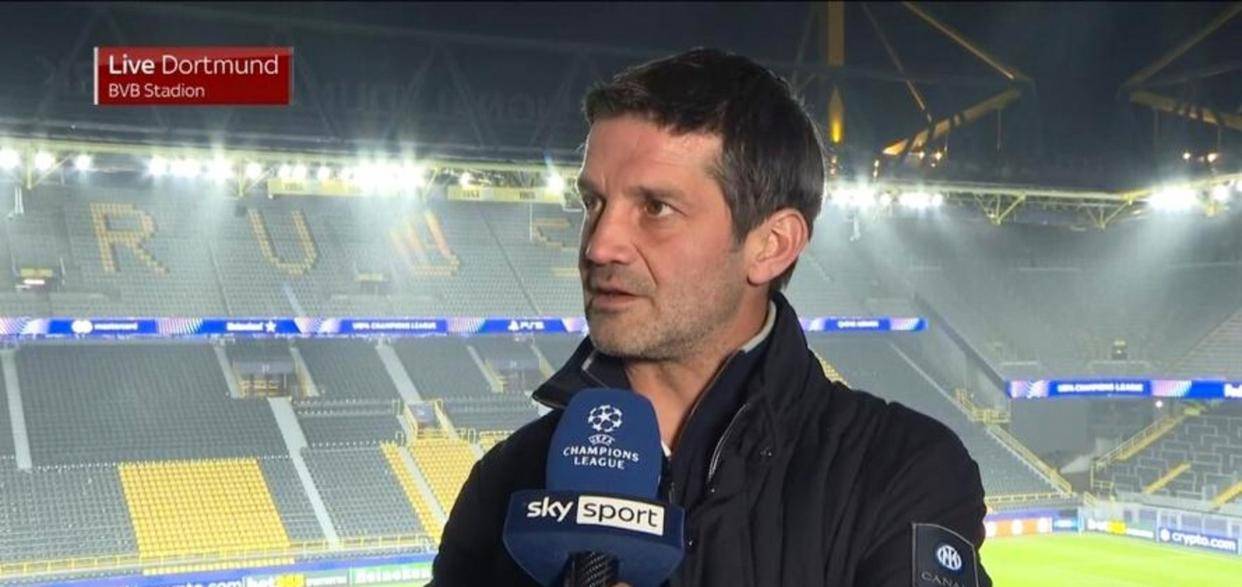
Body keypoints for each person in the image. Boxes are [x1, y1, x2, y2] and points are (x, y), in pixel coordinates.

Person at [431, 48, 992, 587]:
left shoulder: (902, 469)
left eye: (655, 208)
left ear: (772, 245)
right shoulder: (507, 481)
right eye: (593, 202)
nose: (600, 245)